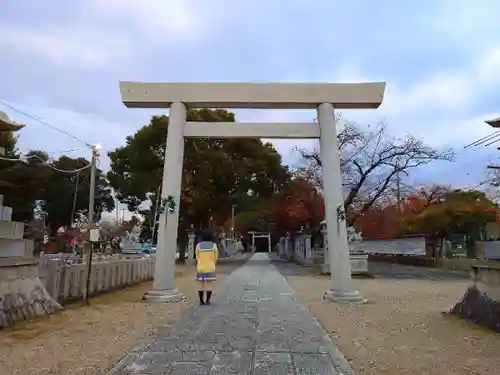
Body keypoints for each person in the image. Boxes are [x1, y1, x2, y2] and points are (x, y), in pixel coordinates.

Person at [195, 230, 219, 305]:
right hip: (210, 267)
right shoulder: (214, 245)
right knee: (209, 284)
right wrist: (213, 263)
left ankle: (201, 301)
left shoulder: (198, 246)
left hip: (200, 267)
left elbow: (197, 257)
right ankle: (208, 300)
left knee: (201, 285)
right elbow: (216, 257)